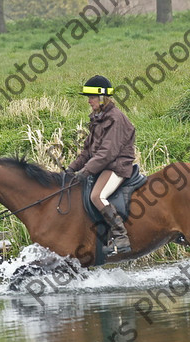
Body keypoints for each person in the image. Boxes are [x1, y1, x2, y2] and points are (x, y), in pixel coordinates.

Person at [66, 75, 136, 256]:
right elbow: (87, 152)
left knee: (97, 196)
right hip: (104, 165)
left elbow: (107, 154)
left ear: (103, 97)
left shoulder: (115, 118)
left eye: (92, 97)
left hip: (117, 166)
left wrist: (85, 172)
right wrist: (71, 169)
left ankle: (121, 236)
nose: (89, 101)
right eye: (89, 98)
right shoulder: (98, 118)